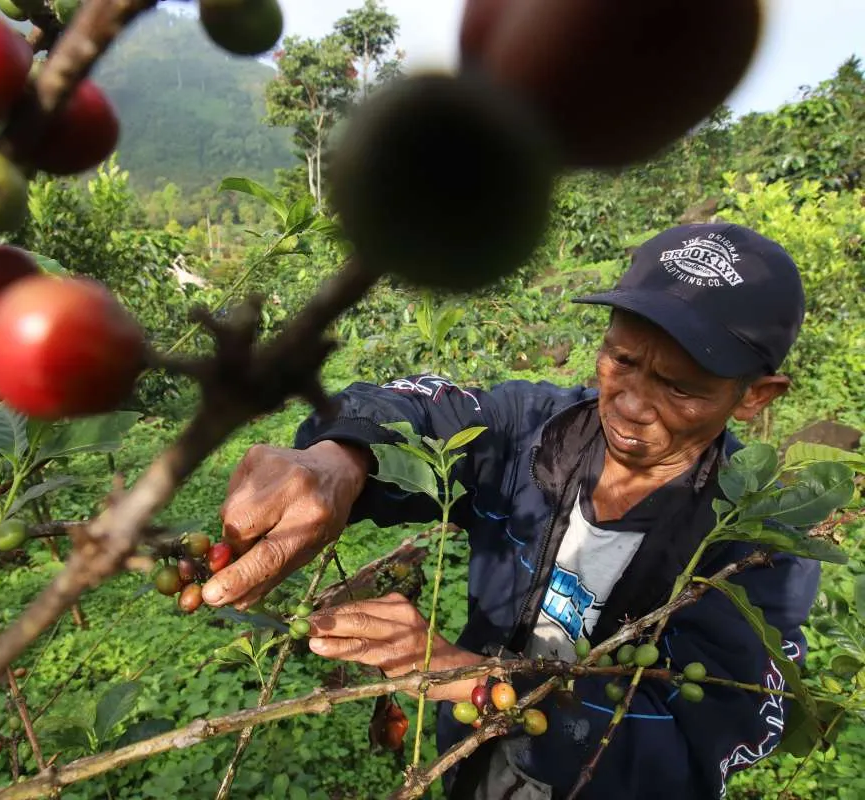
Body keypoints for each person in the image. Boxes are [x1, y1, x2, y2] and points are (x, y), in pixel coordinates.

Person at [199, 222, 822, 799]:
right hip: (475, 761)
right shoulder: (535, 432)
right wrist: (338, 461)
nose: (631, 404)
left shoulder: (758, 543)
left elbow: (699, 743)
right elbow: (423, 410)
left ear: (755, 396)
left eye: (681, 387)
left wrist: (473, 680)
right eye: (622, 361)